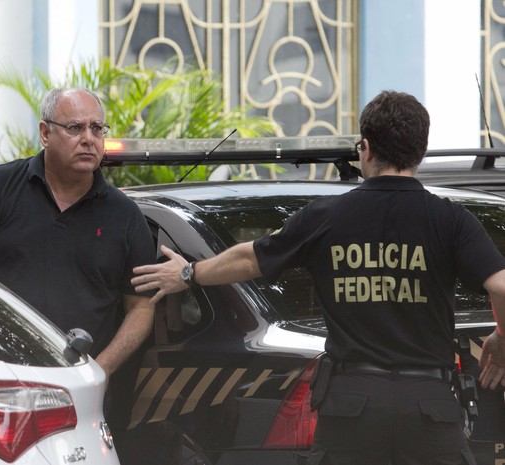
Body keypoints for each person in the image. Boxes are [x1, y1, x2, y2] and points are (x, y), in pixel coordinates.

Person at [131, 90, 505, 465]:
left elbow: (250, 259)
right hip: (430, 407)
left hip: (352, 409)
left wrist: (188, 272)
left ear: (367, 149)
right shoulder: (452, 220)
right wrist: (500, 337)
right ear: (421, 151)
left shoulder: (326, 216)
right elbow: (501, 286)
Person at [0, 87, 156, 389]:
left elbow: (141, 308)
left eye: (97, 128)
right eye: (75, 128)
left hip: (79, 390)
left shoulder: (125, 216)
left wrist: (98, 371)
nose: (89, 139)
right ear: (45, 133)